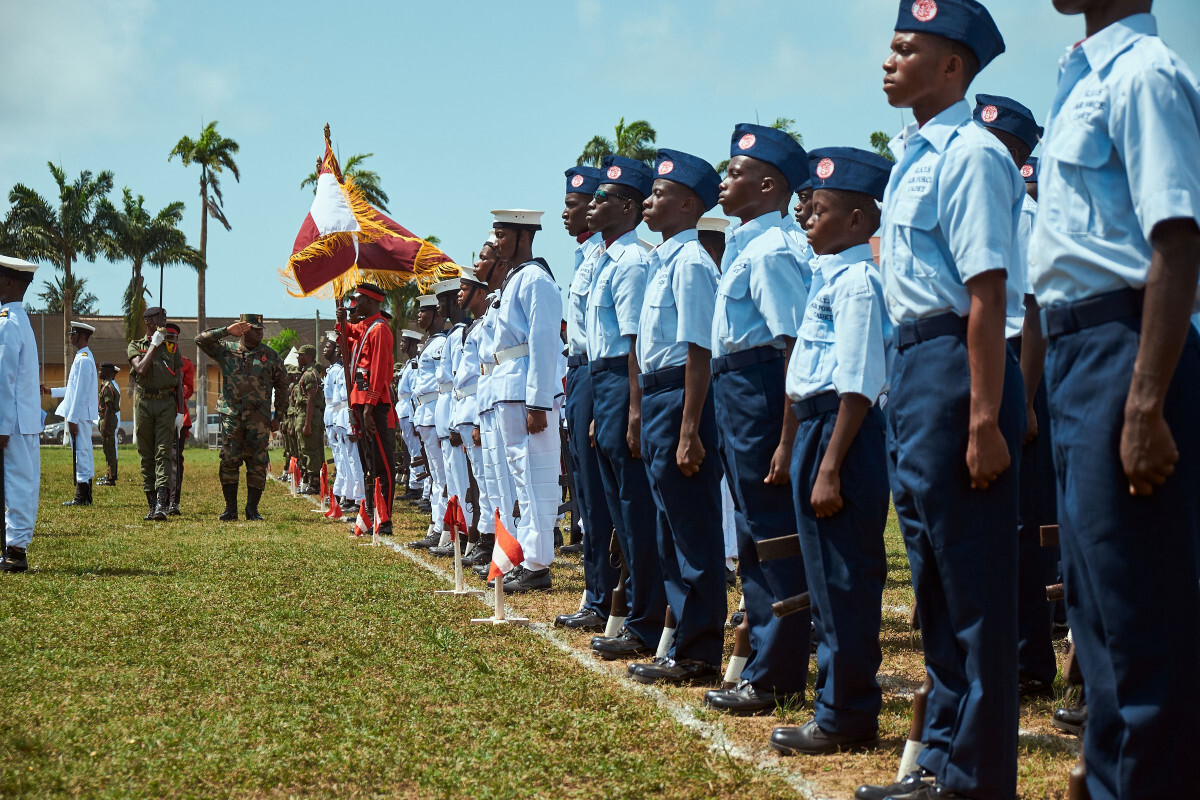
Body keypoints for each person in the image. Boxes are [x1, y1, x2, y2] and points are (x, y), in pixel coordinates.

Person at [1028, 3, 1200, 798]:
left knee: (1139, 617)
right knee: (1094, 607)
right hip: (1076, 349)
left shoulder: (1145, 75)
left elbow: (1177, 239)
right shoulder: (1081, 76)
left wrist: (1144, 401)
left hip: (1123, 344)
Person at [857, 4, 1024, 799]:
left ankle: (978, 776)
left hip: (959, 365)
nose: (888, 60)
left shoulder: (972, 154)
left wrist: (985, 418)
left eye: (905, 48)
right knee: (931, 577)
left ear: (952, 66)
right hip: (914, 364)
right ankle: (943, 761)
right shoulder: (912, 157)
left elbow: (986, 292)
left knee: (974, 582)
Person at [768, 147, 893, 756]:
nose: (807, 219)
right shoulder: (829, 277)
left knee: (845, 581)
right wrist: (794, 444)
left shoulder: (859, 284)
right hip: (818, 428)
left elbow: (858, 383)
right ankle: (836, 704)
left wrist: (830, 465)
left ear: (858, 221)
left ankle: (846, 713)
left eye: (820, 210)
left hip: (844, 433)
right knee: (824, 580)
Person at [702, 123, 812, 716]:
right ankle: (767, 662)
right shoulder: (749, 244)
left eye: (735, 173)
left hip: (762, 388)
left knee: (772, 533)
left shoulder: (771, 251)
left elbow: (793, 348)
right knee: (751, 529)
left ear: (768, 186)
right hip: (737, 385)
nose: (724, 183)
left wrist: (788, 438)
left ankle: (776, 672)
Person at [624, 148, 727, 685]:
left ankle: (700, 649)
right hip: (660, 397)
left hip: (682, 397)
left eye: (659, 194)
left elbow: (699, 351)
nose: (648, 201)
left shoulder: (690, 265)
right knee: (668, 527)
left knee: (692, 528)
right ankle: (683, 639)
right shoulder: (664, 261)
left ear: (689, 205)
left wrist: (689, 429)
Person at [973, 93, 1059, 699]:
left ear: (1018, 153)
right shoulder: (979, 206)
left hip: (1016, 366)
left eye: (996, 145)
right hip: (980, 362)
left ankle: (1030, 659)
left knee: (1023, 522)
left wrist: (1024, 400)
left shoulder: (1023, 215)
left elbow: (1035, 314)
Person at [583, 158, 668, 653]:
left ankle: (645, 621)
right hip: (605, 382)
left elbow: (636, 342)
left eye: (604, 198)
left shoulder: (633, 261)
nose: (593, 204)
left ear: (629, 208)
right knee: (619, 505)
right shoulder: (608, 259)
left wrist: (633, 410)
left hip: (624, 380)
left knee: (635, 507)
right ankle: (635, 611)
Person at [487, 208, 564, 593]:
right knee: (521, 476)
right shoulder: (515, 279)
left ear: (524, 236)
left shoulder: (536, 279)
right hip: (509, 386)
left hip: (525, 391)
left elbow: (545, 343)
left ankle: (537, 564)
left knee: (537, 476)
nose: (497, 241)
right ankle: (527, 557)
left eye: (503, 234)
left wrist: (538, 402)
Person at [557, 164, 619, 631]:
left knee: (598, 495)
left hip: (599, 373)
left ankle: (605, 596)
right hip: (579, 372)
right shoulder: (585, 256)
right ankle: (595, 591)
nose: (568, 212)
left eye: (575, 205)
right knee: (585, 489)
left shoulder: (608, 256)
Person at [196, 314, 288, 521]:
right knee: (229, 461)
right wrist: (227, 330)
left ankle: (252, 510)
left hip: (259, 419)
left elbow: (283, 386)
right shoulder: (227, 350)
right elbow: (200, 340)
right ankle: (231, 509)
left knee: (258, 463)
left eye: (261, 329)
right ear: (244, 330)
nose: (260, 333)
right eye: (255, 329)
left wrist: (279, 415)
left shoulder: (270, 356)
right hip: (232, 417)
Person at [336, 283, 398, 537]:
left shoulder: (380, 329)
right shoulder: (367, 326)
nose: (354, 304)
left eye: (358, 300)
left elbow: (379, 371)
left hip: (374, 406)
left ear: (371, 301)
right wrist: (341, 319)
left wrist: (369, 407)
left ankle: (385, 518)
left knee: (382, 464)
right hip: (362, 404)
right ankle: (372, 512)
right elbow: (348, 332)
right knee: (369, 462)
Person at [0, 255, 41, 573]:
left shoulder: (6, 321)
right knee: (24, 483)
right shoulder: (21, 319)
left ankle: (14, 552)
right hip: (23, 418)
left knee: (15, 484)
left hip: (10, 421)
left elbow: (5, 378)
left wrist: (1, 426)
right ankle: (16, 547)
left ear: (10, 282)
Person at [449, 264, 493, 558]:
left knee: (486, 481)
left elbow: (483, 376)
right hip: (465, 410)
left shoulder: (486, 325)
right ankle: (483, 538)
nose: (459, 295)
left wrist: (477, 420)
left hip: (477, 409)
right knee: (479, 479)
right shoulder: (473, 327)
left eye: (464, 289)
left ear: (480, 292)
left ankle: (488, 539)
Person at [127, 306, 184, 521]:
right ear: (147, 321)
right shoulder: (135, 346)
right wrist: (153, 345)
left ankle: (161, 504)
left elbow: (178, 381)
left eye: (165, 317)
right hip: (144, 403)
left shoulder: (171, 346)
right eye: (159, 317)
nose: (163, 320)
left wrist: (180, 412)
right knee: (146, 454)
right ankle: (151, 504)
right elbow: (141, 369)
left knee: (163, 453)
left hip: (165, 403)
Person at [408, 294, 449, 545]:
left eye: (424, 311)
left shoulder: (441, 343)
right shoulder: (430, 342)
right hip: (425, 413)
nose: (419, 315)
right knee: (435, 474)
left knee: (442, 476)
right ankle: (437, 524)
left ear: (437, 314)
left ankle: (443, 528)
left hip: (435, 412)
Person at [45, 321, 99, 506]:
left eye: (72, 333)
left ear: (81, 336)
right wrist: (52, 391)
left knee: (81, 452)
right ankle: (86, 494)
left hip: (80, 414)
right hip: (80, 413)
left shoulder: (83, 359)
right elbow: (73, 389)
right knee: (84, 451)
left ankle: (82, 496)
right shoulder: (81, 357)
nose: (70, 337)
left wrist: (73, 419)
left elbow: (81, 392)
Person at [324, 332, 364, 512]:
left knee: (354, 460)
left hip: (348, 416)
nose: (338, 351)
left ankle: (359, 498)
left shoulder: (352, 370)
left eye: (341, 347)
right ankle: (348, 495)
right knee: (346, 460)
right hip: (340, 417)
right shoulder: (342, 370)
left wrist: (352, 423)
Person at [162, 322, 194, 516]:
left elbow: (188, 390)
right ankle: (161, 500)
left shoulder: (185, 363)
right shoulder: (155, 360)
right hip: (158, 414)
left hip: (177, 415)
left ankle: (173, 501)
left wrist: (177, 386)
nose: (169, 342)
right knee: (160, 459)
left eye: (172, 338)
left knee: (175, 459)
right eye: (166, 338)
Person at [296, 344, 326, 495]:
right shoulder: (308, 372)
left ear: (308, 356)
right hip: (307, 413)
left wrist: (307, 423)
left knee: (310, 449)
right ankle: (309, 479)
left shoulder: (309, 374)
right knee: (305, 447)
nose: (298, 357)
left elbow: (311, 398)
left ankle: (314, 483)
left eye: (301, 355)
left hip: (310, 415)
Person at [96, 362, 121, 486]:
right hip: (108, 419)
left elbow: (108, 407)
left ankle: (110, 478)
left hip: (108, 420)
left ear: (108, 372)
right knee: (108, 449)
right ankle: (110, 475)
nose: (99, 372)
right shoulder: (108, 385)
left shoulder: (107, 386)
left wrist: (105, 426)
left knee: (109, 449)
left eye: (101, 370)